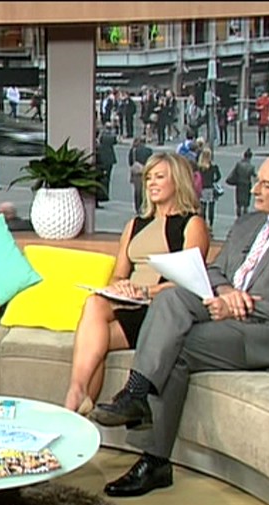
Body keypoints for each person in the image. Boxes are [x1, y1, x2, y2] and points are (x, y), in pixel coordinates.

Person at [88, 150, 269, 497]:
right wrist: (225, 291)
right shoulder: (248, 224)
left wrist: (241, 305)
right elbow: (213, 270)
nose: (255, 190)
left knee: (174, 348)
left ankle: (154, 457)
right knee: (171, 299)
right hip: (225, 310)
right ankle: (137, 394)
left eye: (266, 185)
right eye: (257, 182)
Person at [64, 151, 209, 415]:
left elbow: (190, 283)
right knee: (95, 304)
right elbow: (119, 274)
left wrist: (145, 291)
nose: (151, 183)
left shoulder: (192, 223)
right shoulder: (135, 224)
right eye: (148, 178)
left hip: (160, 311)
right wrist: (120, 287)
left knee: (95, 338)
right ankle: (78, 396)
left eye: (159, 177)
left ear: (177, 180)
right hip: (128, 301)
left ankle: (76, 400)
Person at [195, 148, 222, 229]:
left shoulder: (199, 167)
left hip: (202, 188)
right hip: (210, 188)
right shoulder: (213, 167)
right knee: (211, 207)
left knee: (203, 206)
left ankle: (203, 222)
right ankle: (211, 224)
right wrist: (213, 180)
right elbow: (218, 176)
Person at [226, 148, 257, 218]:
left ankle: (238, 216)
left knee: (239, 203)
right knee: (246, 204)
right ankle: (245, 217)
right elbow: (254, 175)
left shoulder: (238, 164)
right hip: (247, 185)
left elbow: (234, 173)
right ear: (250, 157)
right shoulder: (251, 167)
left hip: (239, 184)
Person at [128, 137, 154, 213]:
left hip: (136, 172)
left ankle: (137, 207)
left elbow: (130, 162)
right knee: (145, 190)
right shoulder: (149, 151)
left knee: (137, 191)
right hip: (145, 171)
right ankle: (145, 206)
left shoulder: (133, 150)